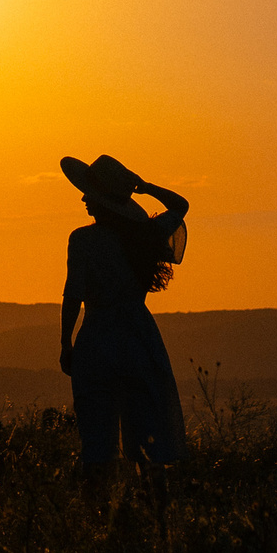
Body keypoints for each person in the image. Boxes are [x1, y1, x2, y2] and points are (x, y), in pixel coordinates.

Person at [58, 153, 189, 480]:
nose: (84, 198)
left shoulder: (83, 240)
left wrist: (65, 342)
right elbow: (181, 205)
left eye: (90, 193)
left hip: (97, 339)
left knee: (96, 436)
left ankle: (99, 512)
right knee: (146, 433)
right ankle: (152, 508)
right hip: (138, 337)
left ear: (102, 200)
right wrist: (145, 187)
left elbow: (73, 294)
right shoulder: (146, 235)